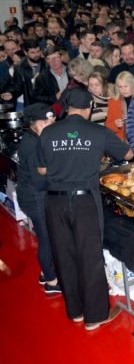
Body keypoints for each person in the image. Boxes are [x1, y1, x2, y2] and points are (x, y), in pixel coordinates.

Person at [37, 88, 133, 330]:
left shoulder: (48, 133)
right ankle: (96, 316)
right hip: (84, 201)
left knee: (64, 255)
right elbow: (128, 154)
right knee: (90, 257)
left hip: (55, 201)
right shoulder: (98, 132)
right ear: (89, 108)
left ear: (67, 108)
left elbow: (41, 170)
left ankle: (76, 312)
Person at [16, 104, 59, 294]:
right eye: (46, 123)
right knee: (46, 237)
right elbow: (40, 179)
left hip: (34, 193)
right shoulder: (32, 145)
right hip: (34, 196)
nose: (50, 127)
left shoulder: (36, 137)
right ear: (35, 124)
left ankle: (46, 272)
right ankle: (51, 282)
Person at [105, 71, 134, 142]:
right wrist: (115, 124)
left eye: (126, 86)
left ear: (132, 85)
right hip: (121, 143)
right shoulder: (113, 102)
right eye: (120, 87)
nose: (123, 90)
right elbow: (107, 125)